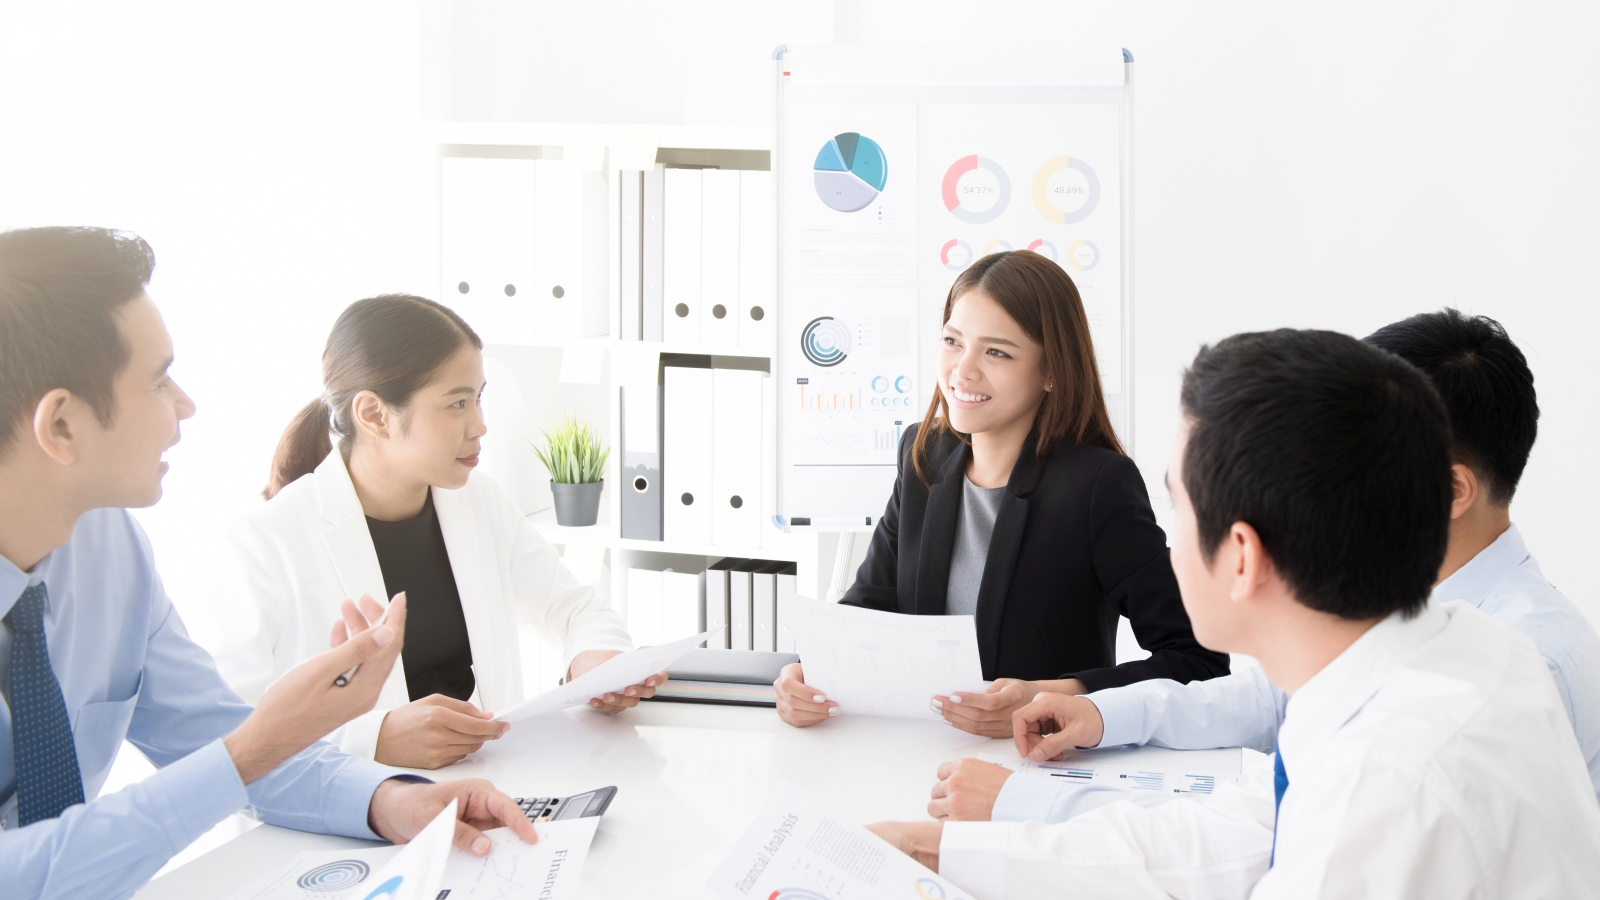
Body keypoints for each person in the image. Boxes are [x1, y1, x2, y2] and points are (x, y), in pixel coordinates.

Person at [868, 328, 1600, 897]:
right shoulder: (1425, 651)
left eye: (1175, 505)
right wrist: (936, 852)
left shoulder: (1390, 787)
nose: (1163, 534)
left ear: (1241, 555)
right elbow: (1230, 838)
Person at [0, 227, 539, 898]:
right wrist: (255, 746)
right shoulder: (261, 537)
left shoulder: (111, 551)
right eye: (159, 379)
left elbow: (218, 739)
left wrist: (388, 801)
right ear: (60, 427)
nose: (186, 405)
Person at [193, 294, 657, 770]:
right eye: (456, 403)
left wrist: (596, 661)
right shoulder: (263, 541)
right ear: (373, 415)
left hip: (487, 784)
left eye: (478, 397)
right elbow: (223, 737)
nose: (480, 425)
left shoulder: (478, 501)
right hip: (350, 814)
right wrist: (372, 740)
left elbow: (575, 608)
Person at [773, 252, 1227, 728]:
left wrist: (1050, 696)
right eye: (953, 341)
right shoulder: (922, 454)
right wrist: (807, 674)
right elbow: (869, 611)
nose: (962, 371)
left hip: (1037, 765)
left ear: (1051, 372)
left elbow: (1197, 663)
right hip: (917, 751)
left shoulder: (1097, 485)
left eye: (997, 352)